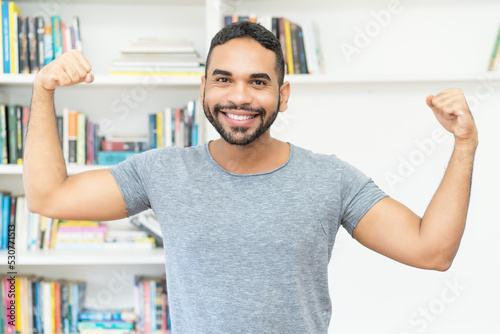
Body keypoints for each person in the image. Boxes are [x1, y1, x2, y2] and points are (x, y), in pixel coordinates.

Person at [24, 21, 478, 333]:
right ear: (203, 89)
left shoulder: (331, 179)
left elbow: (431, 250)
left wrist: (464, 146)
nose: (239, 96)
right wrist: (42, 92)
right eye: (223, 79)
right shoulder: (162, 171)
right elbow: (49, 197)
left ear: (282, 96)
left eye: (258, 82)